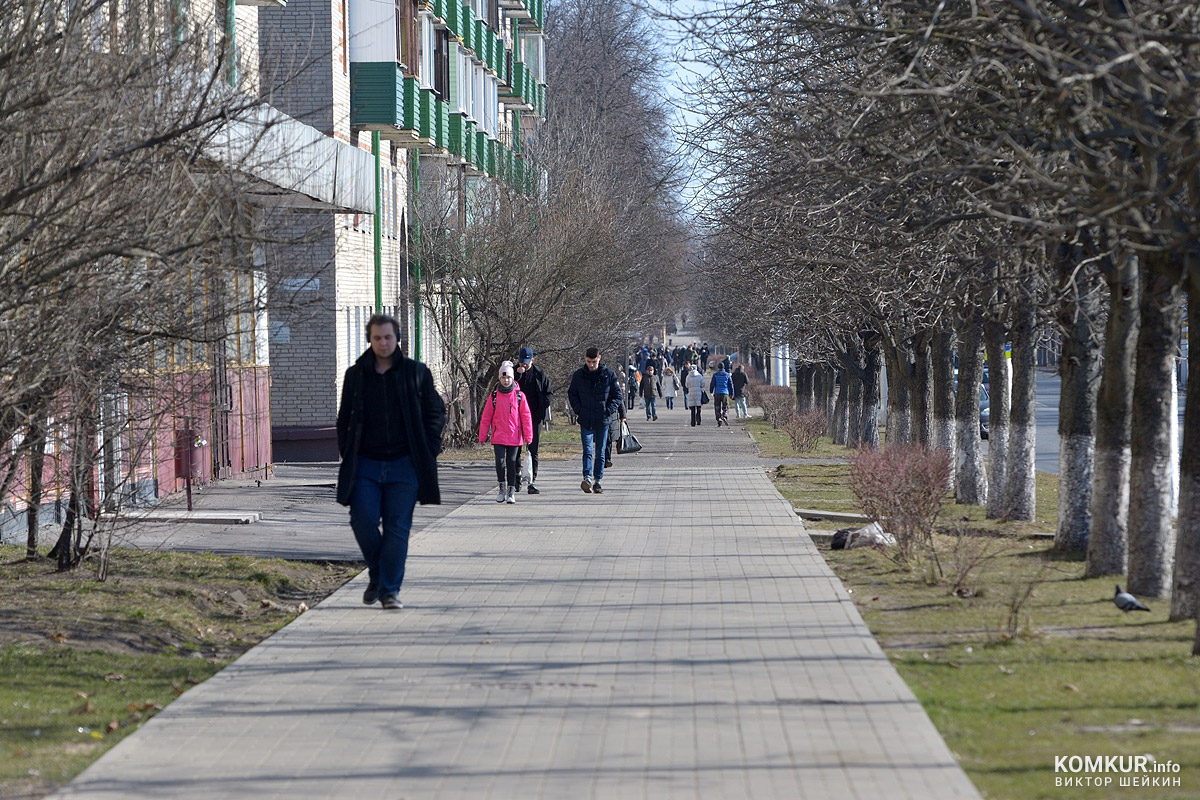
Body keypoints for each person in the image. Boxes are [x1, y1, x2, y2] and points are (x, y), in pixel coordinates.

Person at [336, 313, 445, 611]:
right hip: (366, 465)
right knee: (362, 520)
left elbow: (435, 414)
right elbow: (344, 419)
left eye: (388, 337)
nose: (383, 343)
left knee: (397, 527)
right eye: (377, 338)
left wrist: (427, 449)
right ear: (369, 340)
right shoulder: (356, 375)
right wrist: (348, 451)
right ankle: (378, 574)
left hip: (404, 465)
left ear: (397, 339)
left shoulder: (415, 373)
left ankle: (389, 591)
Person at [478, 361, 534, 505]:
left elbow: (526, 417)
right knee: (500, 462)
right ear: (499, 379)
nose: (506, 380)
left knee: (511, 462)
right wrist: (482, 436)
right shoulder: (495, 396)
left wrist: (528, 436)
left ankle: (511, 490)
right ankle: (501, 487)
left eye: (508, 377)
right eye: (503, 378)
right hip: (498, 435)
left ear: (512, 378)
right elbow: (486, 417)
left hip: (514, 436)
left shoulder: (519, 396)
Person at [568, 347, 622, 494]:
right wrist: (578, 410)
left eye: (593, 361)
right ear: (585, 359)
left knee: (600, 451)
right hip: (585, 418)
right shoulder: (579, 375)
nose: (591, 365)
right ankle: (587, 478)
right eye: (588, 362)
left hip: (602, 419)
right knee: (587, 450)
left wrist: (609, 411)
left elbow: (617, 396)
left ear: (599, 358)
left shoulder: (608, 375)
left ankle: (598, 480)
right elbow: (572, 393)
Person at [514, 345, 553, 494]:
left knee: (533, 450)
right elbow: (505, 388)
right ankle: (516, 480)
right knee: (515, 450)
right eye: (521, 361)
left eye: (526, 362)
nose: (523, 365)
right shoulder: (513, 373)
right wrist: (517, 375)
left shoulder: (539, 374)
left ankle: (531, 481)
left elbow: (549, 393)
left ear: (533, 360)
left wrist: (542, 407)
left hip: (534, 417)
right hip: (516, 418)